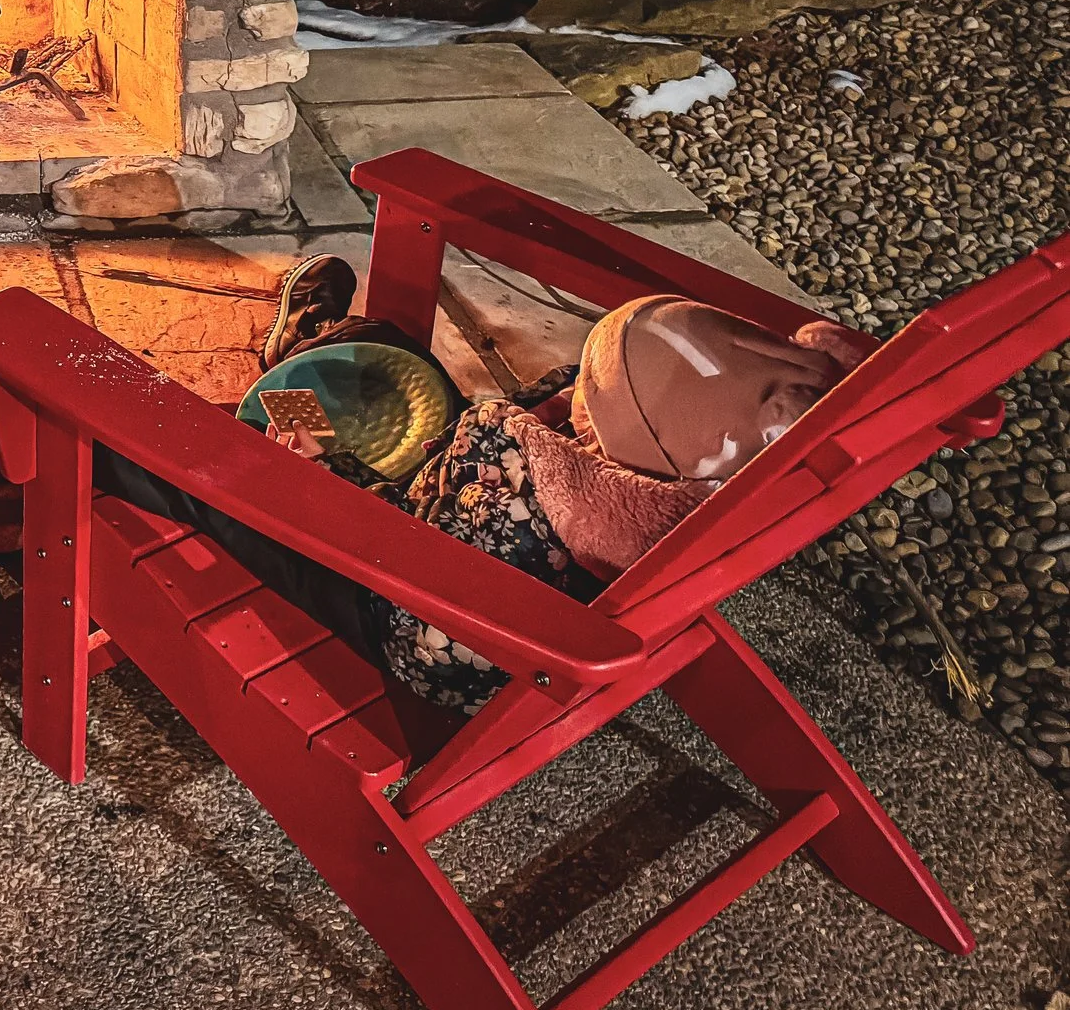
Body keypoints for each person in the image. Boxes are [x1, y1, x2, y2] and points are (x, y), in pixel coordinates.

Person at [99, 256, 866, 713]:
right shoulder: (676, 479)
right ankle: (304, 341)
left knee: (217, 468)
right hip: (452, 498)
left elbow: (378, 536)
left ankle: (90, 438)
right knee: (383, 349)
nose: (577, 402)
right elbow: (538, 416)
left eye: (593, 409)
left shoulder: (550, 502)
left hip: (396, 600)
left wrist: (310, 476)